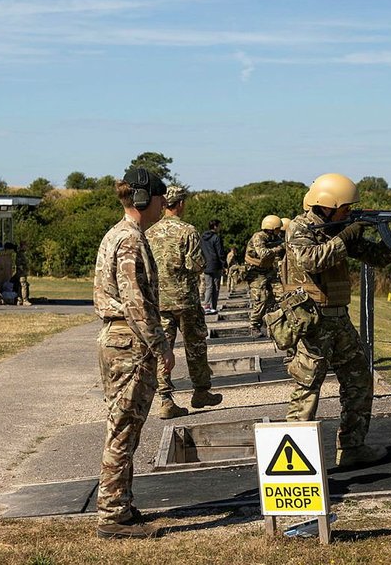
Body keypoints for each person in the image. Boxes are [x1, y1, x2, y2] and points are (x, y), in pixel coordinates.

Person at [283, 173, 391, 468]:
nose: (349, 213)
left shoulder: (339, 229)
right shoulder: (300, 227)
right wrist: (347, 235)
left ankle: (352, 447)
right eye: (345, 208)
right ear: (327, 204)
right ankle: (295, 463)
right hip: (312, 321)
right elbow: (311, 260)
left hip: (338, 319)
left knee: (360, 379)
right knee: (307, 388)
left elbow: (377, 257)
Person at [93, 166, 173, 540]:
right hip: (129, 342)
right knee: (123, 428)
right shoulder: (129, 239)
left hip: (120, 339)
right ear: (143, 200)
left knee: (124, 426)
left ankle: (120, 505)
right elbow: (135, 301)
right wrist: (161, 346)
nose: (164, 204)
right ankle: (112, 516)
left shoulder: (121, 233)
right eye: (160, 197)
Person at [146, 186, 223, 419]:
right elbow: (196, 265)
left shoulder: (149, 232)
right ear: (180, 204)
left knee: (163, 350)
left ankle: (165, 400)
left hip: (159, 301)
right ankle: (201, 392)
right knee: (195, 346)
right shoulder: (188, 231)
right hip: (185, 300)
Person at [244, 215, 286, 337]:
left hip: (269, 271)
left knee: (281, 294)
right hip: (256, 273)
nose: (279, 231)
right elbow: (263, 253)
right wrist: (279, 248)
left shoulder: (275, 238)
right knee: (261, 299)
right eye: (278, 228)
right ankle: (254, 325)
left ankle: (272, 322)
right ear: (271, 228)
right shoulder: (259, 237)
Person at [200, 219, 228, 314]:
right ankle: (212, 306)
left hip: (206, 264)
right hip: (216, 264)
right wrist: (224, 264)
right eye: (219, 226)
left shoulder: (202, 238)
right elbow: (220, 252)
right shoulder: (216, 237)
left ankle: (206, 306)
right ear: (215, 226)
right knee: (215, 287)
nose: (220, 228)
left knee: (209, 286)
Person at [15, 242, 31, 306]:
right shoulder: (20, 254)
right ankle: (25, 300)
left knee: (20, 286)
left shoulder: (21, 253)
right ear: (22, 246)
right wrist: (23, 271)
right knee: (24, 286)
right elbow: (18, 264)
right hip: (21, 273)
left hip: (22, 272)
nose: (26, 247)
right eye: (25, 246)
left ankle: (19, 300)